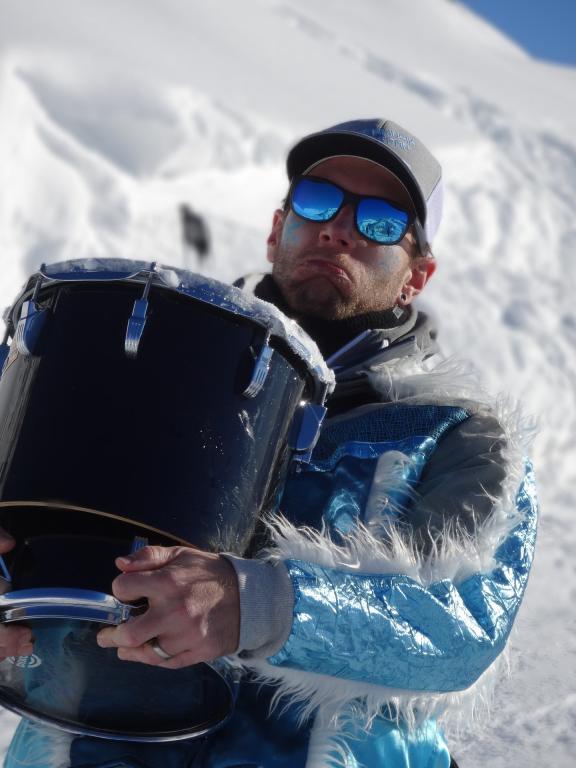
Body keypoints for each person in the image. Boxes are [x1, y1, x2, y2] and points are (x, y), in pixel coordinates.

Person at [0, 118, 538, 768]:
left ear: (416, 276)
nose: (337, 229)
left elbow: (463, 623)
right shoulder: (147, 366)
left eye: (380, 221)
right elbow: (55, 536)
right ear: (277, 228)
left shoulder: (461, 433)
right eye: (317, 201)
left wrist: (257, 604)